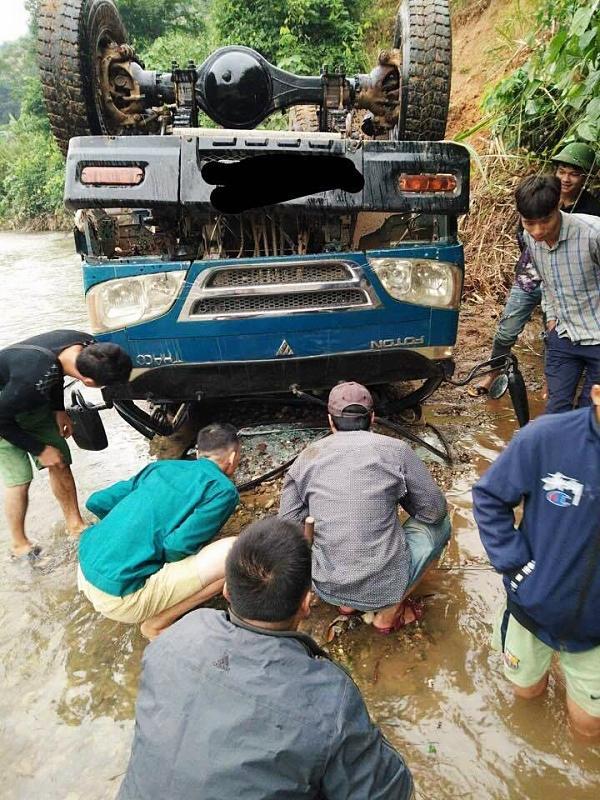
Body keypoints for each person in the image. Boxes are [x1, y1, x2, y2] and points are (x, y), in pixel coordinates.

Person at [117, 517, 415, 799]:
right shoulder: (329, 697)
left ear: (225, 590)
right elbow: (391, 791)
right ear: (306, 604)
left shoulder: (176, 636)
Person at [472, 389, 600, 738]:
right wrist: (516, 566)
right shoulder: (545, 438)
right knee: (526, 694)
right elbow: (489, 497)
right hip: (532, 607)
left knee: (588, 728)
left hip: (595, 629)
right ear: (597, 393)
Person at [279, 381, 450, 634]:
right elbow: (434, 511)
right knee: (442, 524)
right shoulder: (397, 450)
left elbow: (288, 528)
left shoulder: (306, 458)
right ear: (372, 417)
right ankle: (388, 614)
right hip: (385, 587)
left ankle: (346, 605)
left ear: (330, 420)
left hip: (326, 586)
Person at [77, 423, 240, 639]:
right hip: (121, 598)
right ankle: (156, 624)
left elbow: (97, 501)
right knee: (235, 553)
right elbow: (176, 546)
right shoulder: (223, 490)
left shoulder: (161, 467)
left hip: (85, 569)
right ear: (232, 457)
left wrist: (128, 530)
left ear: (199, 453)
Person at [472, 142, 600, 396]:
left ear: (586, 178)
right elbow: (524, 238)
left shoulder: (592, 213)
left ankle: (552, 384)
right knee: (507, 329)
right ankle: (493, 371)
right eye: (561, 171)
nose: (566, 178)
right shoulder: (534, 201)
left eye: (574, 173)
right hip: (532, 277)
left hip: (570, 283)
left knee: (552, 333)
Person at [0, 329, 132, 562]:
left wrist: (58, 409)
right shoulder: (33, 378)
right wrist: (40, 450)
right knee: (20, 479)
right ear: (89, 383)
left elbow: (55, 372)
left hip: (32, 400)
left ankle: (75, 525)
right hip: (5, 410)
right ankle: (19, 544)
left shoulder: (87, 344)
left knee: (59, 461)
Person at [515, 174, 600, 412]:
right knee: (555, 412)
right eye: (529, 223)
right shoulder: (529, 238)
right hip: (564, 334)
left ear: (558, 206)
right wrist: (551, 318)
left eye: (545, 221)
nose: (537, 231)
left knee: (591, 416)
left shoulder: (593, 233)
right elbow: (547, 282)